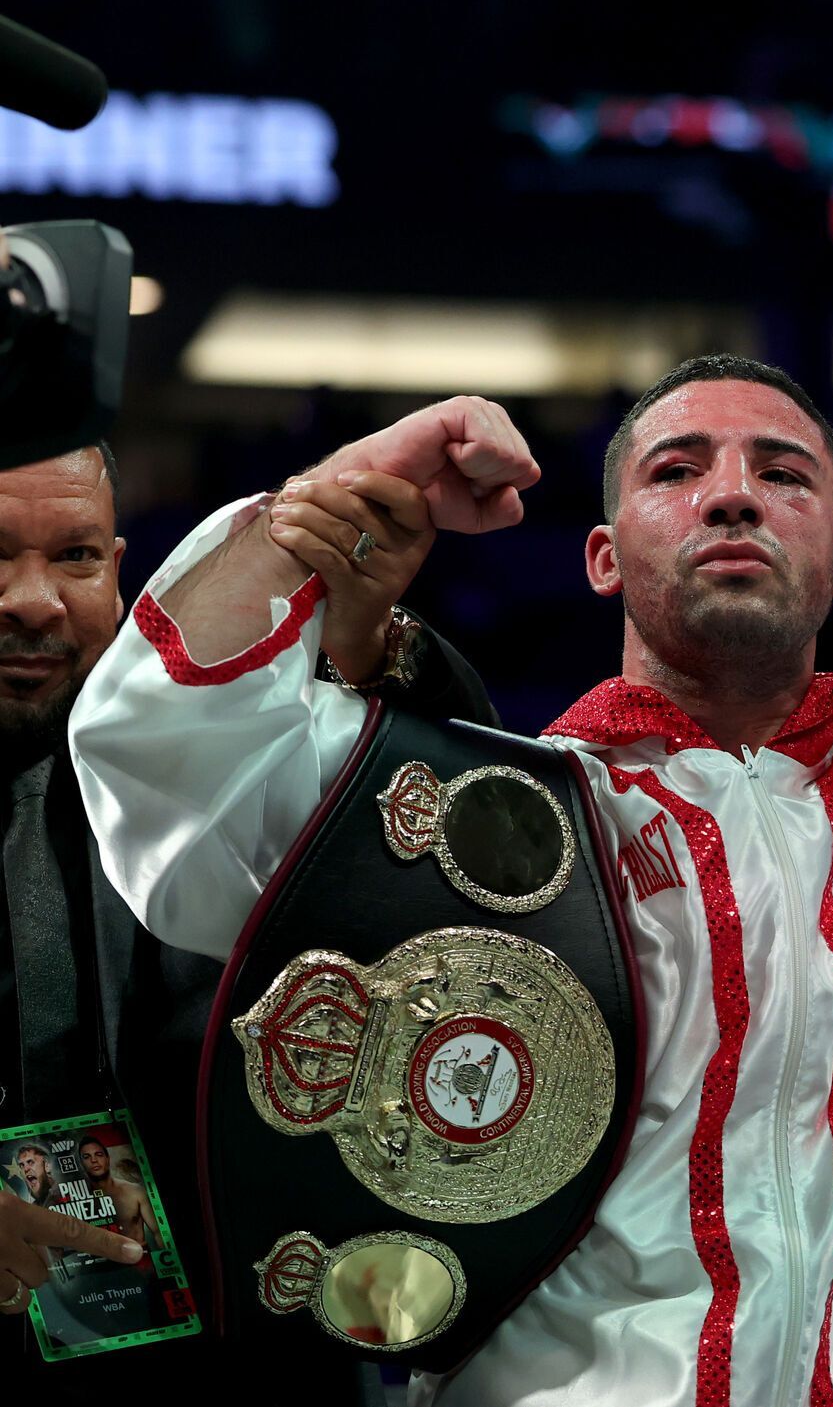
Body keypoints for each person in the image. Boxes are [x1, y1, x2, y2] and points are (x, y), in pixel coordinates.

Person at [69, 11, 833, 1407]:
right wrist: (322, 504)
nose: (733, 489)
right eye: (678, 467)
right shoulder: (472, 817)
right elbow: (169, 771)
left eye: (784, 473)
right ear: (604, 553)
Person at [0, 221, 501, 1391]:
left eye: (75, 558)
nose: (36, 602)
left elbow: (447, 846)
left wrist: (366, 637)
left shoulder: (186, 765)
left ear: (123, 565)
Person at [78, 1137, 157, 1249]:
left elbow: (159, 1233)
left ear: (108, 1159)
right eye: (87, 1157)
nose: (94, 1160)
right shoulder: (77, 1200)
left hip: (139, 1258)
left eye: (99, 1154)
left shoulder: (134, 1191)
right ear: (81, 1164)